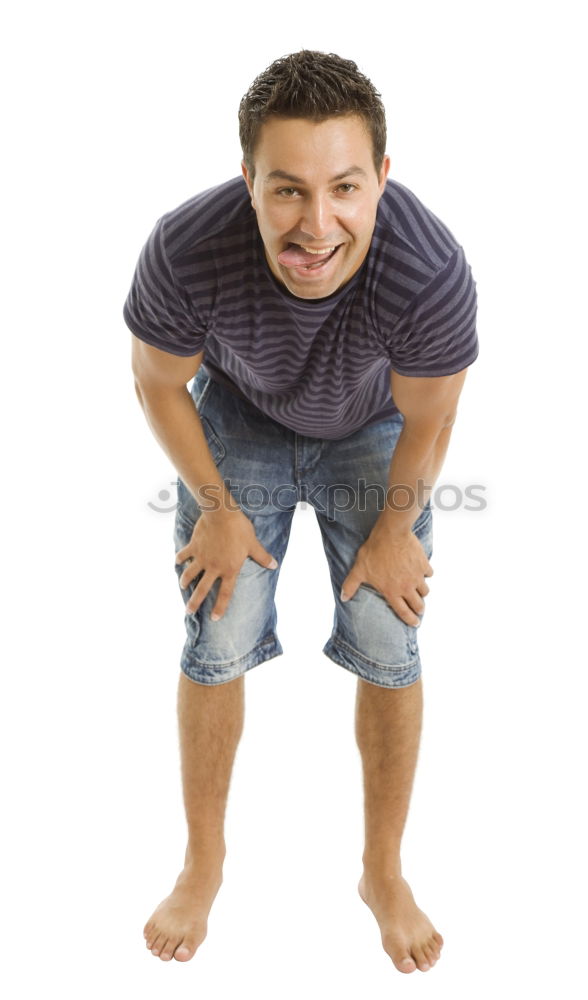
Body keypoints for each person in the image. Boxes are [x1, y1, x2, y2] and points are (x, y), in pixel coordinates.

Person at [124, 49, 478, 975]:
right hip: (238, 418)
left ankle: (383, 872)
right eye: (286, 190)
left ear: (381, 179)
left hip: (375, 427)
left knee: (387, 632)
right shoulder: (186, 248)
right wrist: (218, 508)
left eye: (345, 188)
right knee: (220, 620)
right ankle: (204, 864)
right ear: (247, 180)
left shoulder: (427, 267)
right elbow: (156, 381)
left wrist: (398, 527)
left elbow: (436, 408)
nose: (317, 225)